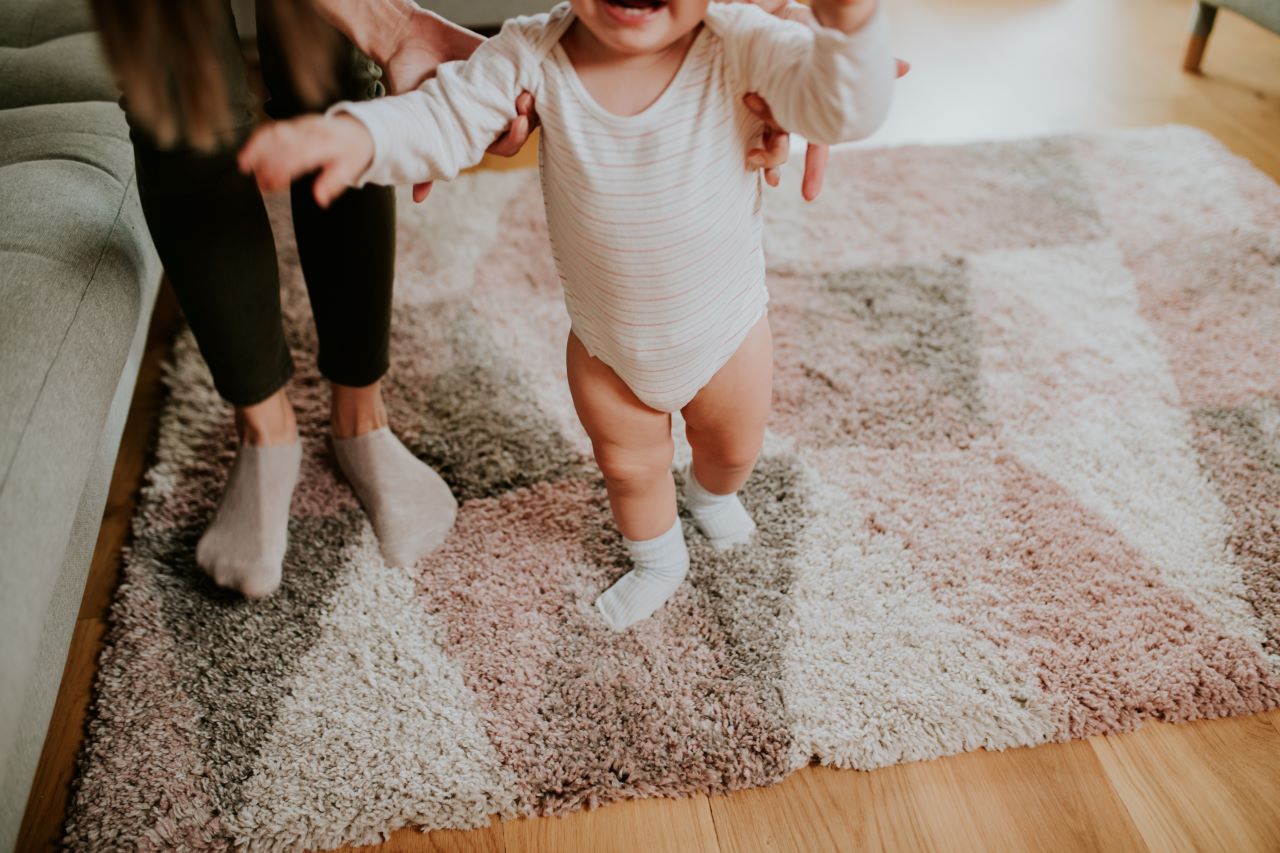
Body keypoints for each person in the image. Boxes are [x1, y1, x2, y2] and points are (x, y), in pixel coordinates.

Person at [239, 0, 895, 627]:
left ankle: (711, 495)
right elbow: (441, 117)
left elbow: (841, 108)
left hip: (729, 337)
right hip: (609, 351)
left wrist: (853, 27)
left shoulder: (742, 41)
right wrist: (355, 134)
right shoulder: (531, 52)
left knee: (733, 450)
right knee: (629, 471)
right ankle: (658, 558)